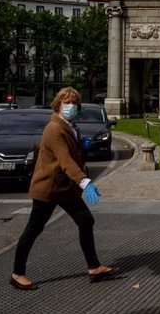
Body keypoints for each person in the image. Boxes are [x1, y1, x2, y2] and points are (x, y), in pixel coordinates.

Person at [10, 87, 117, 290]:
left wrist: (81, 147)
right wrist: (85, 182)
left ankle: (94, 268)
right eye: (66, 102)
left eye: (74, 103)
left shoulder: (69, 125)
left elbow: (71, 154)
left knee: (85, 220)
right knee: (33, 229)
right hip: (49, 187)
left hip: (64, 187)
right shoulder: (54, 128)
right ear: (58, 104)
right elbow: (65, 160)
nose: (71, 106)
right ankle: (17, 273)